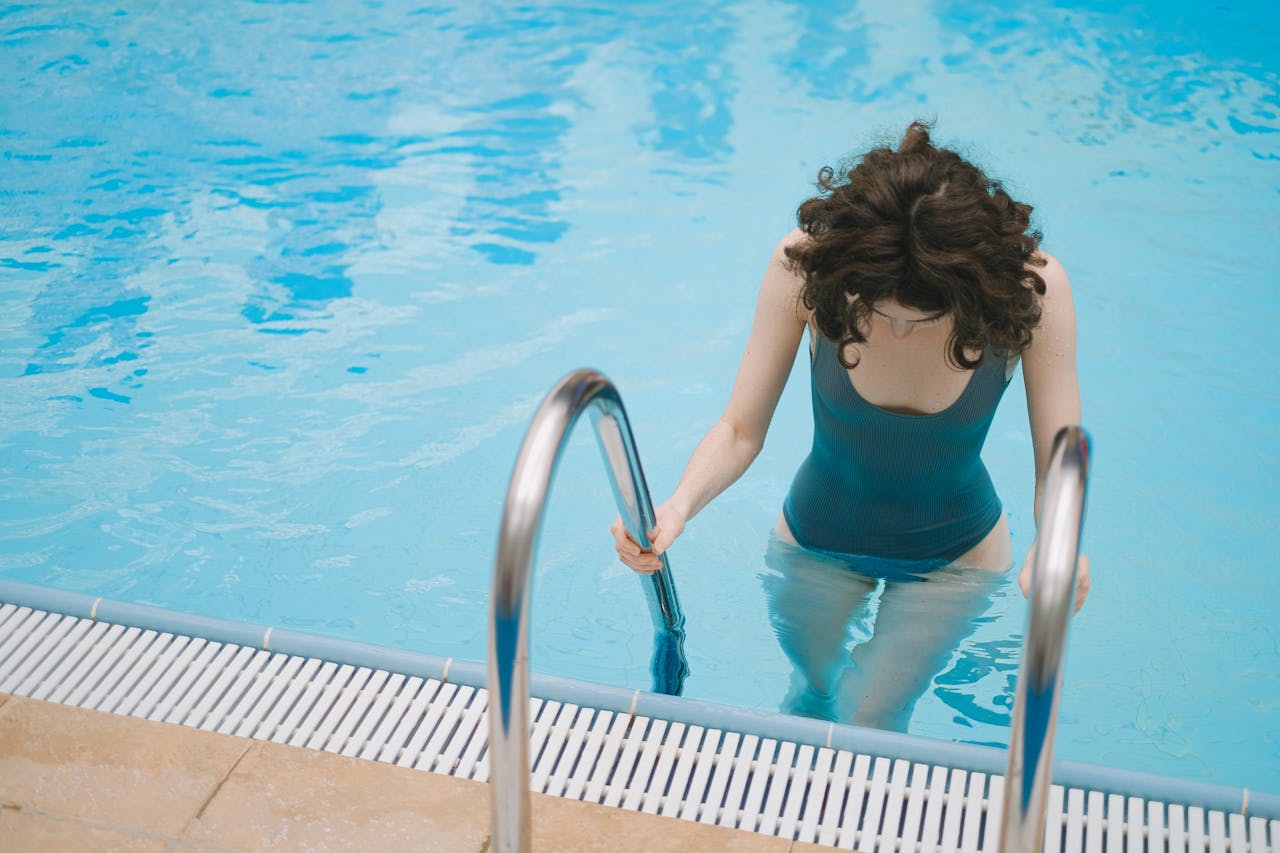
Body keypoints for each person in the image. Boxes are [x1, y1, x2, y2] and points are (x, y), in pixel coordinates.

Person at [611, 120, 1091, 731]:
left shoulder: (1032, 290)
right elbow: (739, 429)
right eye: (882, 311)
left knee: (873, 718)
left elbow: (1058, 465)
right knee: (810, 697)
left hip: (955, 557)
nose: (897, 332)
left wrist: (1061, 543)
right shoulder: (807, 267)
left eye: (921, 319)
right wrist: (675, 508)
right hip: (818, 537)